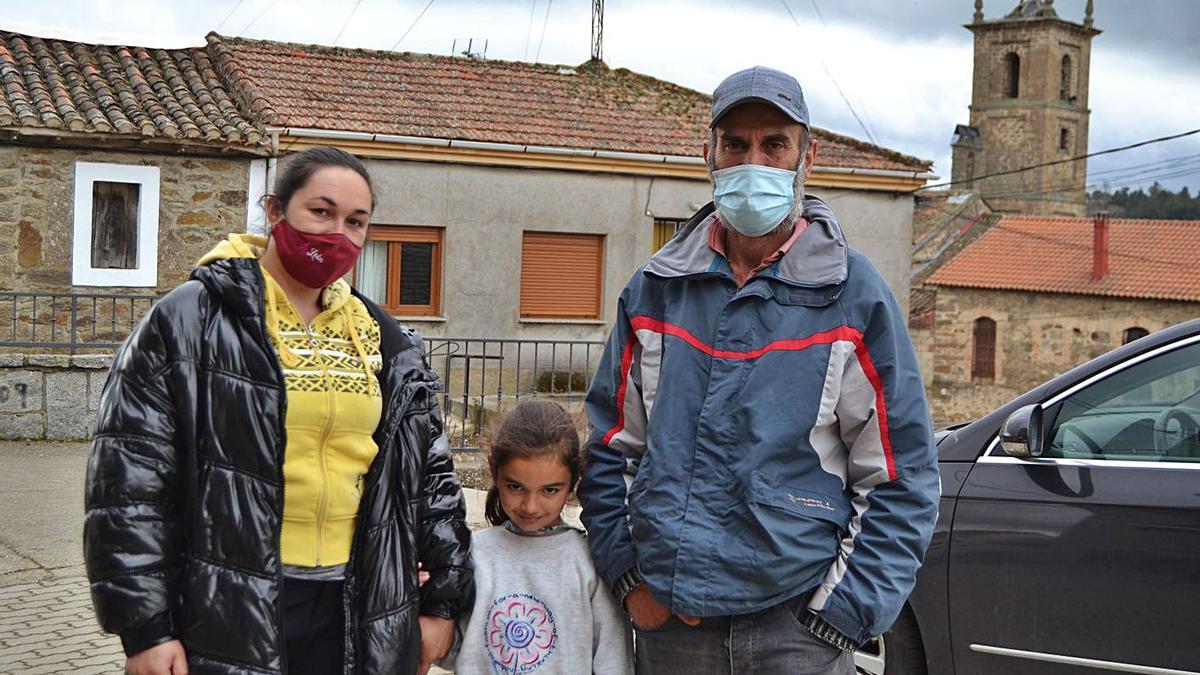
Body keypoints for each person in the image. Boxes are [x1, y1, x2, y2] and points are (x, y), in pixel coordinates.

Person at [578, 66, 940, 674]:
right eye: (736, 144)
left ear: (806, 157)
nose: (755, 162)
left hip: (795, 628)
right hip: (672, 626)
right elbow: (611, 449)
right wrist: (630, 578)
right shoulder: (655, 291)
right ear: (709, 155)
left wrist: (841, 615)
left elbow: (899, 477)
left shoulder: (855, 297)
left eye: (774, 144)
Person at [84, 146, 473, 675]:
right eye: (322, 211)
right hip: (230, 601)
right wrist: (145, 629)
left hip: (361, 603)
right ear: (274, 212)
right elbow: (128, 482)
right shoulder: (189, 320)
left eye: (356, 222)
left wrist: (440, 603)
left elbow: (432, 479)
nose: (338, 234)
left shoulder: (386, 339)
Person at [441, 399, 634, 675]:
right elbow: (447, 649)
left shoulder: (591, 562)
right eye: (516, 487)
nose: (531, 506)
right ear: (494, 469)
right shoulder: (472, 554)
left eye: (550, 490)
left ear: (574, 481)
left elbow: (614, 660)